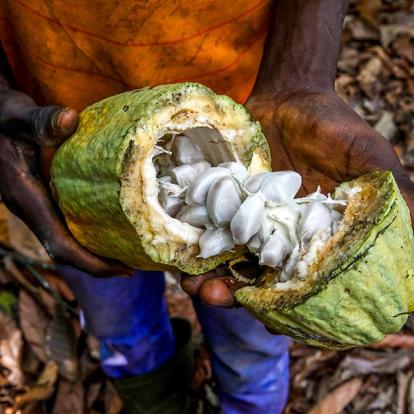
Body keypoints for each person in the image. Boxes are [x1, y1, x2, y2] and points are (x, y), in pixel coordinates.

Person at [0, 1, 413, 413]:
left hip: (255, 91)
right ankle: (155, 399)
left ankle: (248, 405)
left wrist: (299, 79)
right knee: (116, 325)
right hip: (61, 131)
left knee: (251, 344)